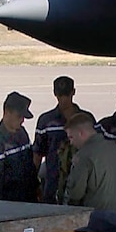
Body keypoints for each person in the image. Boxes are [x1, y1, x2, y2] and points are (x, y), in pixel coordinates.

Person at [62, 111, 116, 219]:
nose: (71, 143)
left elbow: (75, 193)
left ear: (81, 133)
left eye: (71, 137)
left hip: (97, 222)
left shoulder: (83, 156)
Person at [34, 75, 79, 203]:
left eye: (67, 95)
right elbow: (37, 155)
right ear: (54, 94)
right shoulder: (46, 121)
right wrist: (33, 183)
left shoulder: (85, 119)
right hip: (53, 184)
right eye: (60, 96)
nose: (63, 100)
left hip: (79, 183)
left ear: (73, 92)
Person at [0, 91, 38, 202]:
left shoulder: (22, 133)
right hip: (10, 202)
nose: (22, 121)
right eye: (19, 116)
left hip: (29, 199)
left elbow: (31, 166)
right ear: (7, 112)